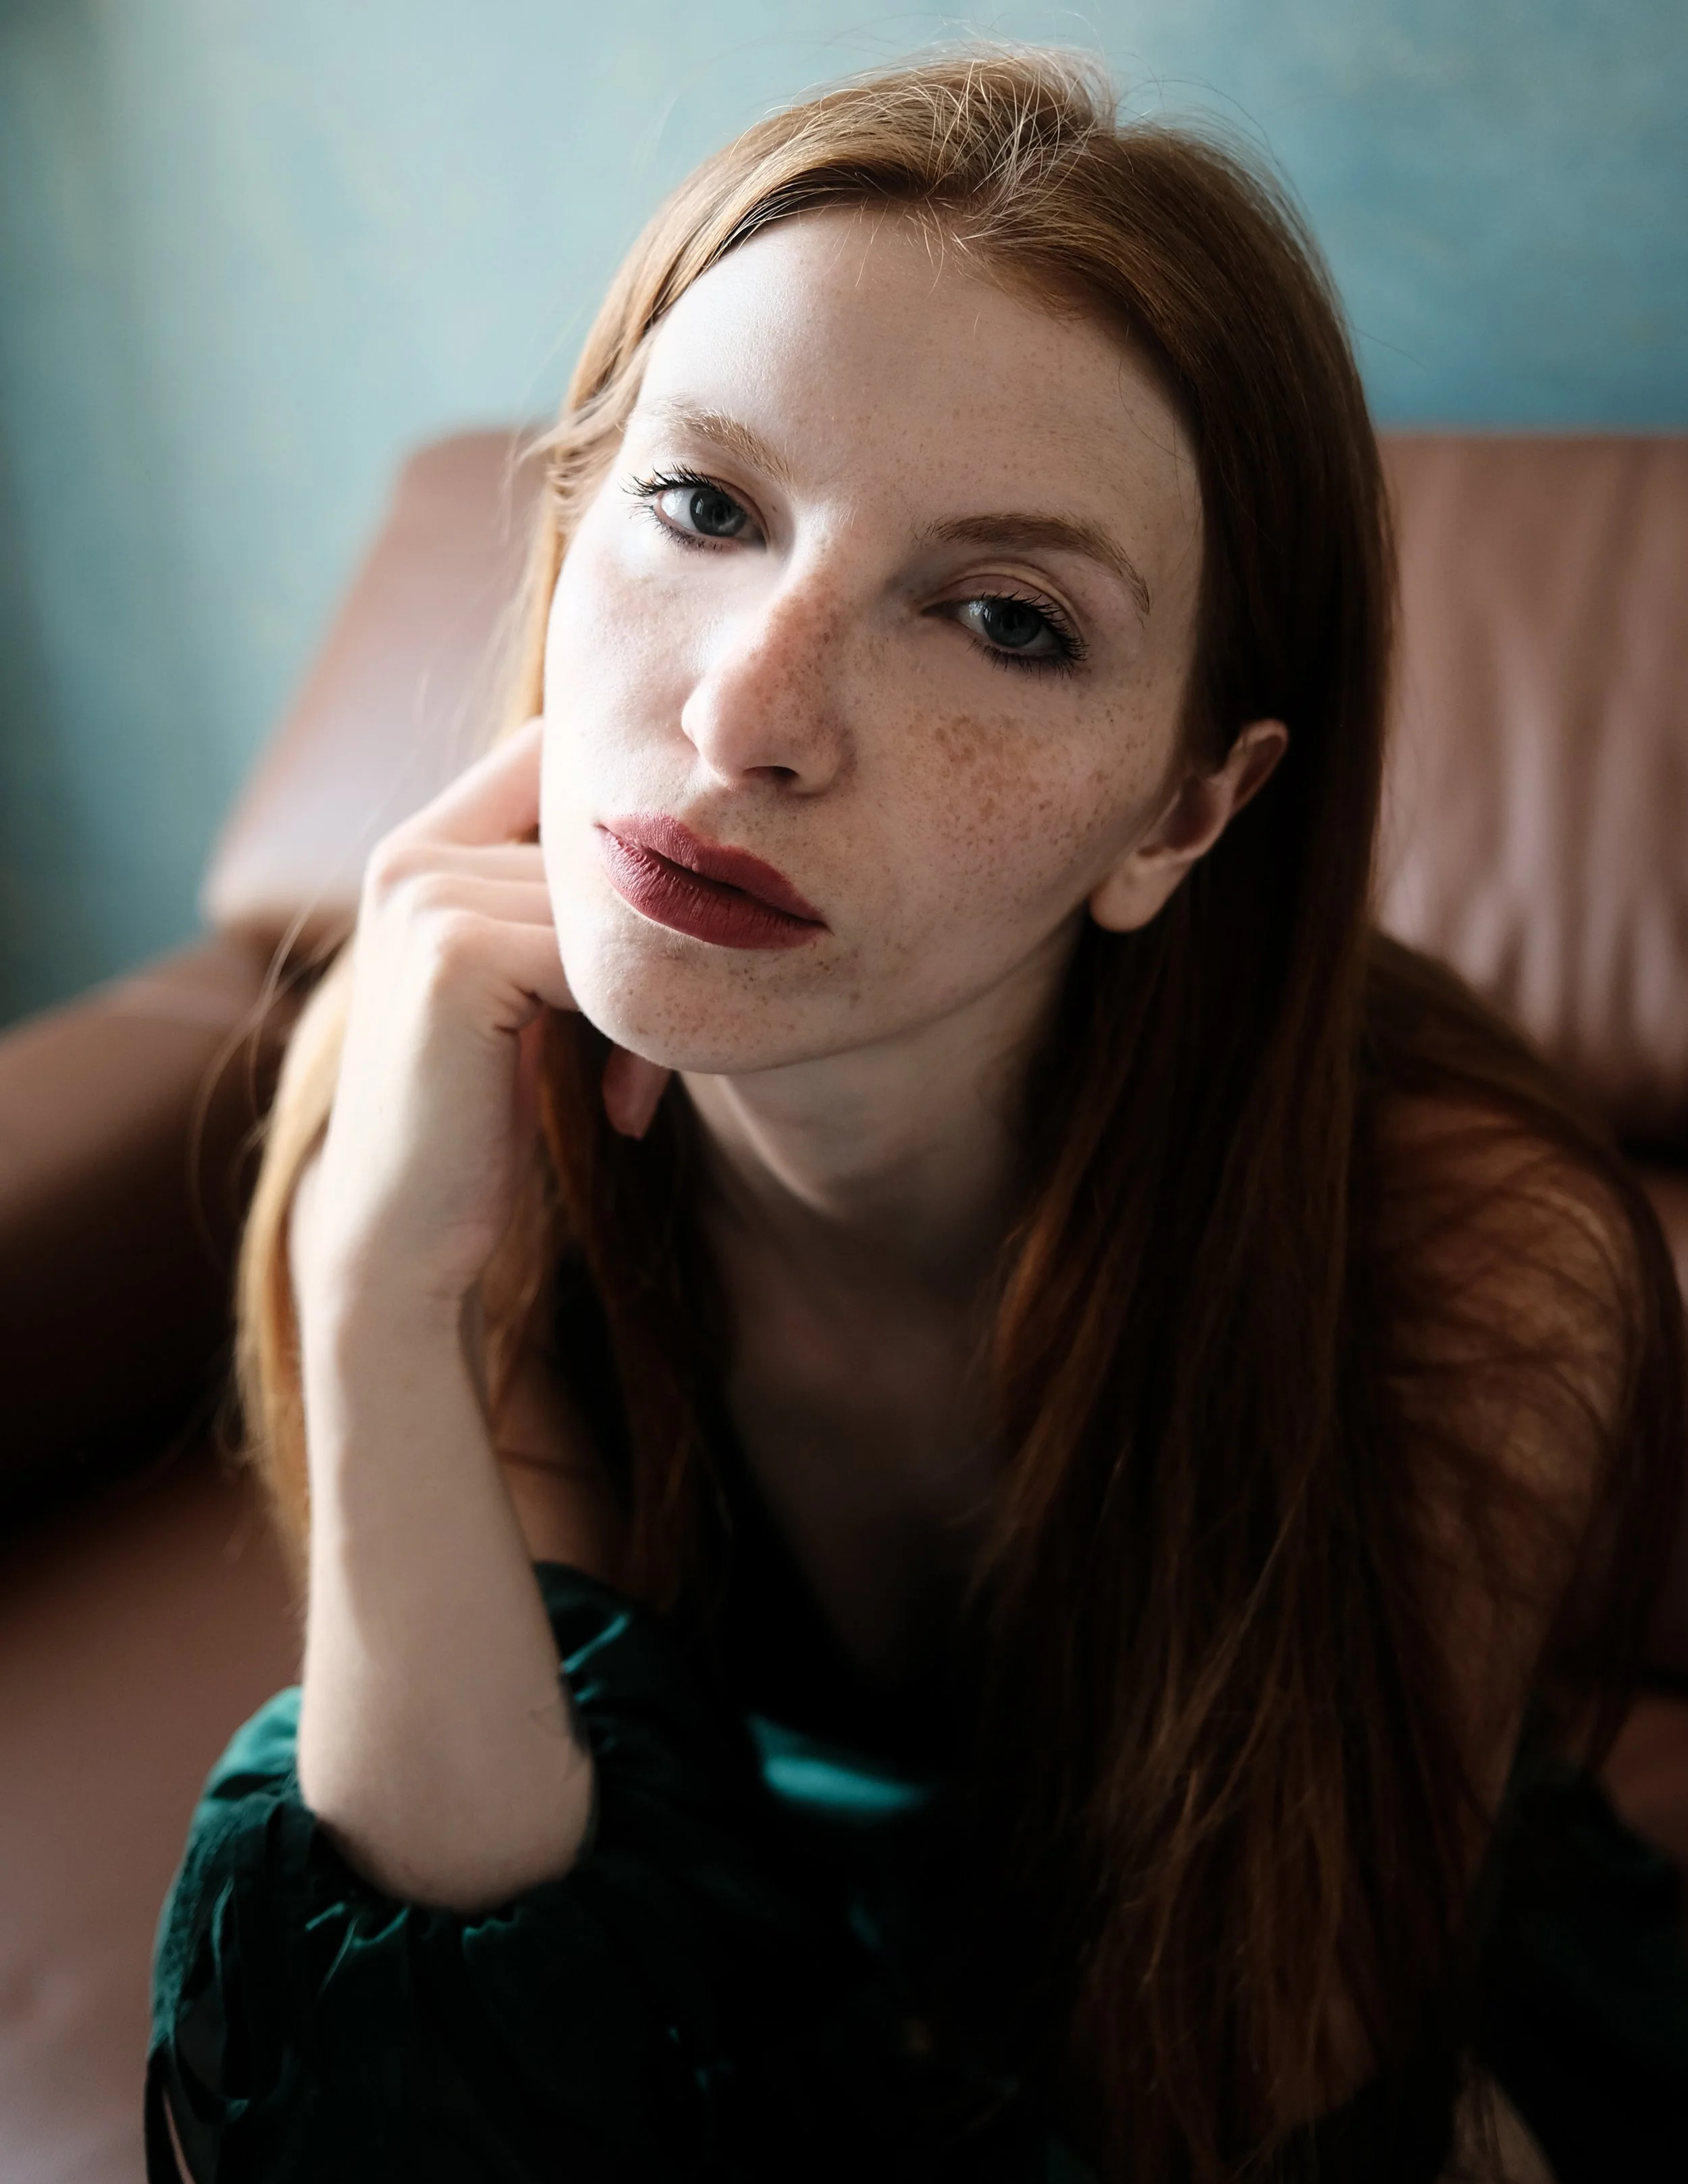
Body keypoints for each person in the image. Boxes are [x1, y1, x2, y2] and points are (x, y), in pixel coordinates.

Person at [147, 48, 1688, 2184]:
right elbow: (452, 2017)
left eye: (1003, 620)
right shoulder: (443, 1089)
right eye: (703, 506)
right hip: (714, 1947)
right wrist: (373, 1290)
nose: (745, 713)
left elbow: (1248, 2084)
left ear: (1179, 816)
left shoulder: (1466, 1246)